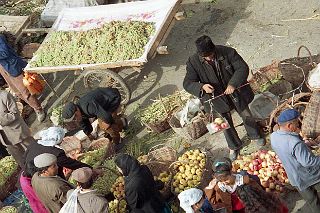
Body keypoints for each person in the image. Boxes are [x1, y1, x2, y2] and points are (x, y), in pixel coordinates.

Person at [183, 35, 265, 160]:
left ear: (214, 49)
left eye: (211, 54)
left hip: (236, 92)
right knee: (223, 123)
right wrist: (202, 86)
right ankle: (234, 145)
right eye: (206, 57)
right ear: (200, 55)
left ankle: (255, 135)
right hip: (215, 98)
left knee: (246, 114)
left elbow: (242, 68)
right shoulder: (193, 62)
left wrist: (233, 83)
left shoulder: (227, 52)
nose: (209, 58)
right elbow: (188, 83)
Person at [271, 108, 320, 213]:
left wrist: (305, 145)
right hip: (310, 177)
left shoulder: (274, 136)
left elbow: (289, 151)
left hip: (295, 179)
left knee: (312, 201)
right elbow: (308, 162)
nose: (298, 125)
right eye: (296, 123)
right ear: (289, 125)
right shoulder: (294, 142)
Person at [204, 157, 287, 213]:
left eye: (226, 179)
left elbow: (259, 191)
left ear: (232, 171)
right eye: (221, 181)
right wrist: (210, 187)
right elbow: (214, 201)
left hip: (253, 208)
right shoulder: (220, 188)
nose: (225, 182)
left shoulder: (245, 180)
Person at [0, 33, 45, 122]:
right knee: (17, 91)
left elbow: (5, 52)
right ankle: (32, 104)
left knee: (25, 91)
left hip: (12, 65)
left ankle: (38, 109)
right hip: (3, 68)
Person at [62, 87, 127, 144]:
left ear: (77, 110)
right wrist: (88, 134)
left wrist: (107, 123)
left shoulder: (88, 107)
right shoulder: (79, 111)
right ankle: (122, 122)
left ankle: (118, 141)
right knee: (103, 124)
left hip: (112, 99)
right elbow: (84, 123)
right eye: (74, 119)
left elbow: (107, 117)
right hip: (103, 105)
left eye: (75, 117)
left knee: (105, 126)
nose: (75, 119)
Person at [24, 126, 91, 179]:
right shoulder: (57, 153)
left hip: (26, 174)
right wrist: (90, 169)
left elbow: (24, 158)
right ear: (59, 140)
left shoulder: (35, 143)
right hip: (38, 178)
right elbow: (73, 164)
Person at [0, 89, 35, 167]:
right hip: (5, 138)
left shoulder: (4, 95)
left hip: (19, 133)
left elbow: (15, 113)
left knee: (35, 154)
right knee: (22, 162)